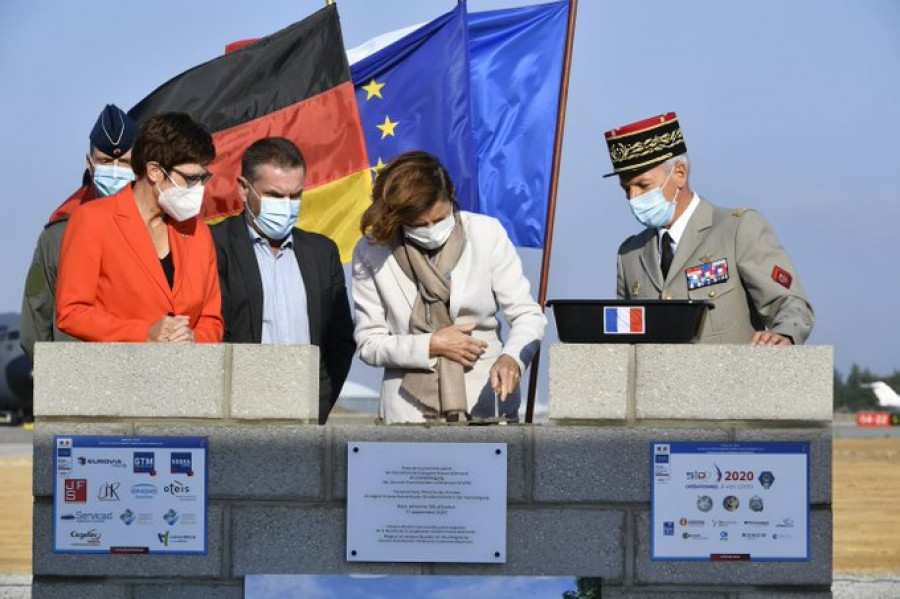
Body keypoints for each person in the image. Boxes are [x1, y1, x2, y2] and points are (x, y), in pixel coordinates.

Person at [352, 150, 546, 423]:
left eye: (440, 218)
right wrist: (431, 345)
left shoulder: (486, 232)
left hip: (486, 404)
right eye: (419, 224)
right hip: (408, 412)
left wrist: (512, 358)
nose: (431, 229)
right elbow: (369, 344)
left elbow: (527, 314)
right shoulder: (371, 251)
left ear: (451, 196)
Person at [606, 112, 814, 345]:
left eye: (643, 186)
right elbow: (625, 339)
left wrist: (784, 335)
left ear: (680, 174)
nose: (633, 198)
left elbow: (790, 304)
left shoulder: (737, 230)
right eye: (626, 190)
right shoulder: (631, 254)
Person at [210, 137, 355, 424]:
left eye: (295, 196)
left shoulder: (322, 252)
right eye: (275, 195)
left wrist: (317, 408)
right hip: (236, 418)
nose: (286, 206)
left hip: (305, 418)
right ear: (243, 188)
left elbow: (339, 342)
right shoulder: (215, 245)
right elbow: (214, 334)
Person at [55, 112, 223, 343]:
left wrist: (194, 337)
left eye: (203, 179)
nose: (199, 188)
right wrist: (144, 334)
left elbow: (212, 320)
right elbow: (71, 313)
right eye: (191, 179)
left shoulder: (199, 233)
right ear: (154, 171)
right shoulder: (92, 220)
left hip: (187, 374)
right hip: (118, 372)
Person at [20, 104, 138, 359]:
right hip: (76, 385)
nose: (116, 169)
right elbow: (34, 327)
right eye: (107, 161)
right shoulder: (56, 237)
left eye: (125, 162)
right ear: (90, 164)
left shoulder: (160, 230)